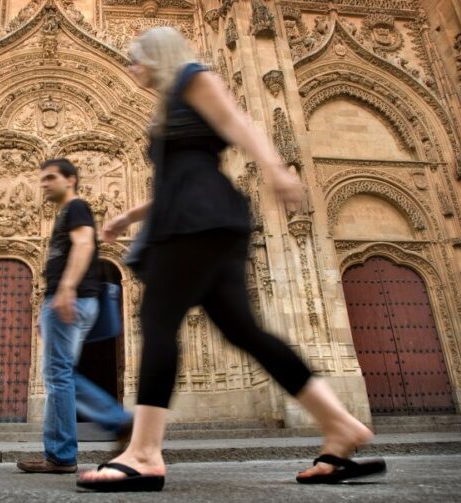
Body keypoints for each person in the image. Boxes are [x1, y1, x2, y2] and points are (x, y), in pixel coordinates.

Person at [77, 27, 386, 492]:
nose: (130, 68)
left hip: (197, 221)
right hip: (203, 218)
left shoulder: (194, 78)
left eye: (135, 58)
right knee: (245, 331)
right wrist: (130, 215)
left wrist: (277, 169)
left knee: (159, 323)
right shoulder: (173, 102)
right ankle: (341, 426)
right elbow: (181, 174)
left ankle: (143, 453)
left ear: (158, 56)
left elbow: (241, 124)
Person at [17, 159, 133, 474]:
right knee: (62, 373)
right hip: (68, 300)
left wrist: (66, 289)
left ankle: (65, 451)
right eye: (41, 178)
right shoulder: (67, 213)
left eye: (50, 177)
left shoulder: (77, 207)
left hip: (73, 298)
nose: (44, 183)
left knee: (59, 375)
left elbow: (83, 244)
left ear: (70, 180)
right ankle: (102, 428)